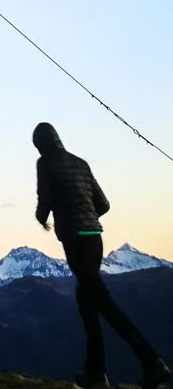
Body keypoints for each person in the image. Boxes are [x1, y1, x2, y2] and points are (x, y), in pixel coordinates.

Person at [32, 122, 170, 389]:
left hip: (75, 240)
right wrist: (87, 215)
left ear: (41, 144)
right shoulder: (80, 163)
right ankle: (95, 372)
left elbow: (45, 199)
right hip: (95, 238)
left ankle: (153, 363)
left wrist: (42, 218)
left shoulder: (45, 162)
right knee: (86, 301)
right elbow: (103, 204)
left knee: (104, 303)